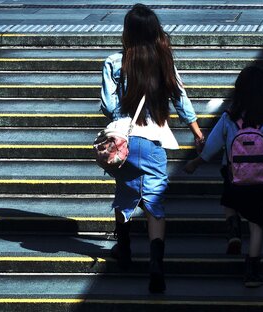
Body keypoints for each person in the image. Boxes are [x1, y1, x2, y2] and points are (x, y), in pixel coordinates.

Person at [101, 3, 204, 294]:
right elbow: (181, 99)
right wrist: (197, 132)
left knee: (124, 195)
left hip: (124, 141)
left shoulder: (114, 62)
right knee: (155, 204)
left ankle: (124, 250)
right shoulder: (164, 61)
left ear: (128, 32)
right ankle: (156, 263)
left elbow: (109, 107)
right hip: (155, 140)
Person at [183, 66, 263, 288]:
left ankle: (233, 229)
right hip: (262, 181)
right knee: (256, 222)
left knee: (229, 200)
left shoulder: (228, 118)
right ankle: (252, 272)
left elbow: (212, 146)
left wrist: (195, 163)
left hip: (234, 176)